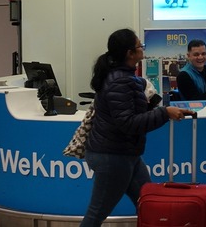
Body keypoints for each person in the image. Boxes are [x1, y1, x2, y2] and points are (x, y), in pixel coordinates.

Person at [80, 28, 194, 227]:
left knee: (150, 206)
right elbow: (128, 123)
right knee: (96, 214)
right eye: (139, 46)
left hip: (126, 154)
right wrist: (164, 112)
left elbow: (129, 116)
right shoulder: (120, 82)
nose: (142, 48)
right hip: (113, 157)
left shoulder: (124, 79)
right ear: (129, 54)